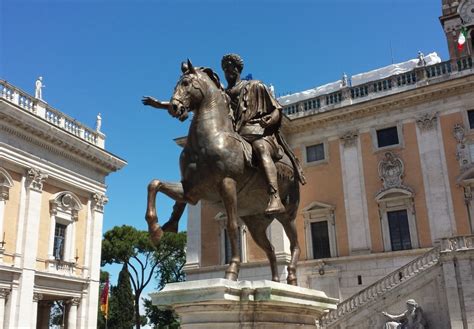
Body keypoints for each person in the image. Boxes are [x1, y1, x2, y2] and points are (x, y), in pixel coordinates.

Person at [221, 53, 306, 215]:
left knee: (260, 148)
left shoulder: (256, 86)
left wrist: (270, 121)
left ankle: (274, 196)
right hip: (236, 134)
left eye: (230, 67)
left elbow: (276, 110)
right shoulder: (223, 95)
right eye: (225, 69)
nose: (227, 71)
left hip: (259, 133)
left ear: (238, 69)